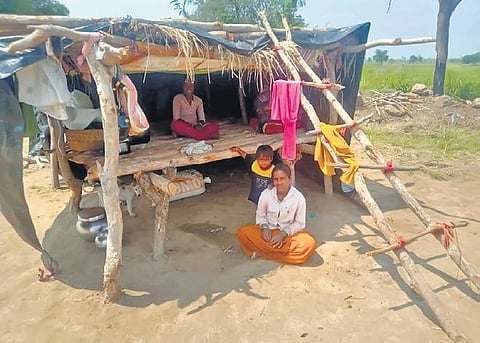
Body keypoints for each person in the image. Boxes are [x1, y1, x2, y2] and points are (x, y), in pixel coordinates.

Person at [236, 163, 317, 264]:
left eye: (282, 179)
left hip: (287, 237)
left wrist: (283, 234)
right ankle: (281, 255)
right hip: (268, 234)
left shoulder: (299, 198)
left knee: (309, 243)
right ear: (272, 180)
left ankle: (264, 253)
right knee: (243, 232)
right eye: (276, 179)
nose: (279, 183)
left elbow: (300, 223)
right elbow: (260, 215)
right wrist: (265, 227)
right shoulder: (266, 194)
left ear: (289, 179)